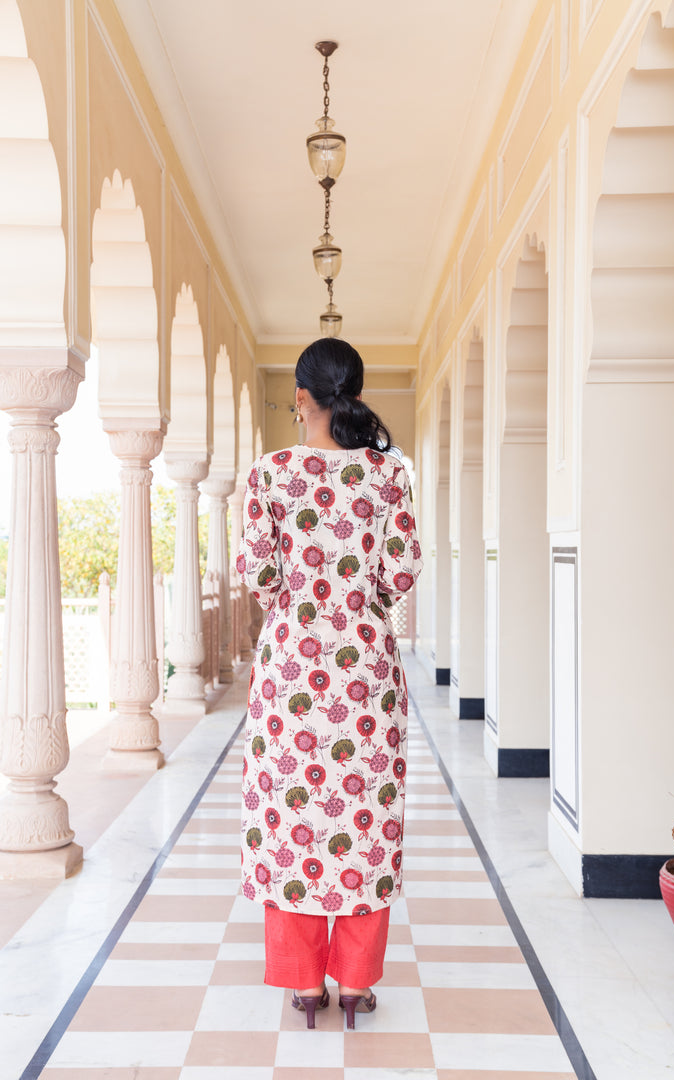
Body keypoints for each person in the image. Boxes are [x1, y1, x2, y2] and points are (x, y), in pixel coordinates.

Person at [236, 337, 423, 1030]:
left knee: (291, 820)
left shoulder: (271, 474)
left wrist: (298, 605)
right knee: (364, 819)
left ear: (302, 398)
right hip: (366, 674)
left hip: (290, 676)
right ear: (356, 393)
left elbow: (260, 575)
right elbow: (400, 572)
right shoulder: (388, 474)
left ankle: (305, 984)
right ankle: (356, 983)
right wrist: (359, 600)